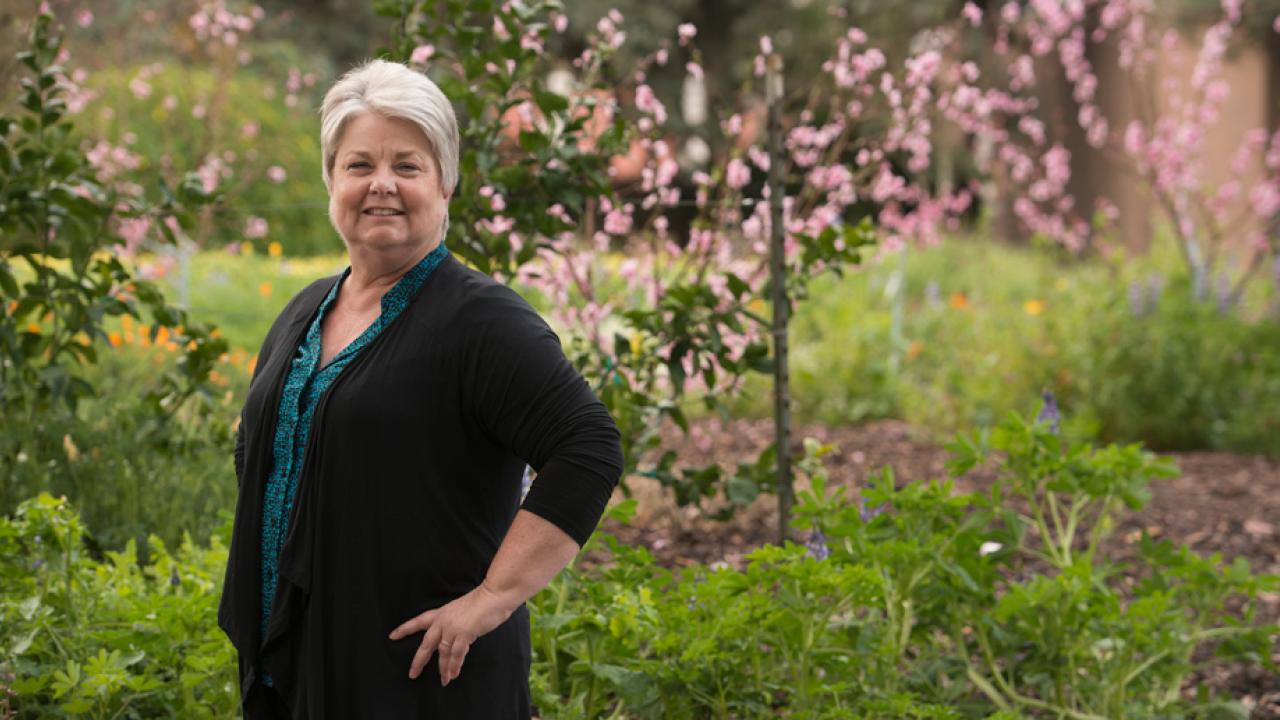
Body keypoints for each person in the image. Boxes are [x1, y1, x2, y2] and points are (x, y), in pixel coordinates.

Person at [217, 59, 624, 719]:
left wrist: (490, 600)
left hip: (419, 679)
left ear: (445, 186)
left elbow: (588, 447)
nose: (382, 185)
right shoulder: (305, 310)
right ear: (330, 180)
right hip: (297, 661)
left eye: (407, 166)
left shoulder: (481, 322)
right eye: (359, 165)